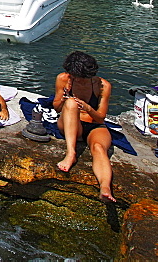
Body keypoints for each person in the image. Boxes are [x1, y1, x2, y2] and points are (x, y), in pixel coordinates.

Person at [52, 51, 116, 203]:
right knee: (71, 103)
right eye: (76, 79)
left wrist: (88, 108)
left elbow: (101, 117)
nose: (80, 82)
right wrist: (65, 97)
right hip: (70, 122)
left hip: (94, 124)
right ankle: (71, 153)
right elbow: (56, 107)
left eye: (83, 80)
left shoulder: (103, 86)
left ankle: (105, 188)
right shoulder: (63, 79)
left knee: (99, 148)